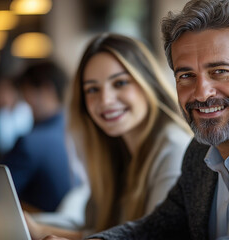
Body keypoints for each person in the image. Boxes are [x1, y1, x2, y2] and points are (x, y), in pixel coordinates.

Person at [64, 0, 229, 239]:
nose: (202, 93)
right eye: (186, 76)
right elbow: (156, 228)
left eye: (220, 71)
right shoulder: (200, 151)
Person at [25, 33, 192, 240]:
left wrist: (41, 231)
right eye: (93, 89)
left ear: (148, 83)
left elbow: (155, 237)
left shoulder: (175, 150)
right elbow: (94, 227)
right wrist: (27, 224)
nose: (105, 100)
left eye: (120, 83)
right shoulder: (113, 152)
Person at [0, 61, 79, 213]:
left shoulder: (31, 143)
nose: (24, 100)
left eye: (25, 91)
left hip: (39, 228)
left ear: (46, 89)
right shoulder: (77, 131)